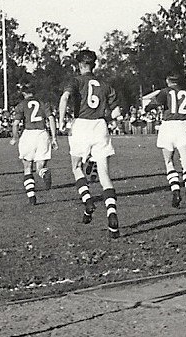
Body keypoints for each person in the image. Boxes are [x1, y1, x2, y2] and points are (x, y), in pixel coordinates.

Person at [59, 49, 123, 238]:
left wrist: (62, 120)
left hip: (81, 125)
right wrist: (113, 119)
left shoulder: (76, 81)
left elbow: (65, 98)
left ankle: (87, 200)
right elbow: (117, 112)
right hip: (100, 126)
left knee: (76, 166)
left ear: (79, 65)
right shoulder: (105, 85)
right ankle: (112, 214)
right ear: (94, 65)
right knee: (104, 175)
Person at [144, 73, 186, 211]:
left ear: (168, 82)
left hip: (168, 126)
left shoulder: (165, 91)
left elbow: (154, 103)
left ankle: (175, 191)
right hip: (183, 126)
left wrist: (148, 108)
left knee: (169, 162)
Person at [10, 82, 59, 205]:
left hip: (28, 135)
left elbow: (15, 124)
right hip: (42, 134)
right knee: (39, 167)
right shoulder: (44, 103)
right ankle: (44, 173)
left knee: (27, 167)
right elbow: (51, 119)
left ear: (23, 93)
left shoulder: (21, 105)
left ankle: (31, 196)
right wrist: (54, 137)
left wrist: (15, 137)